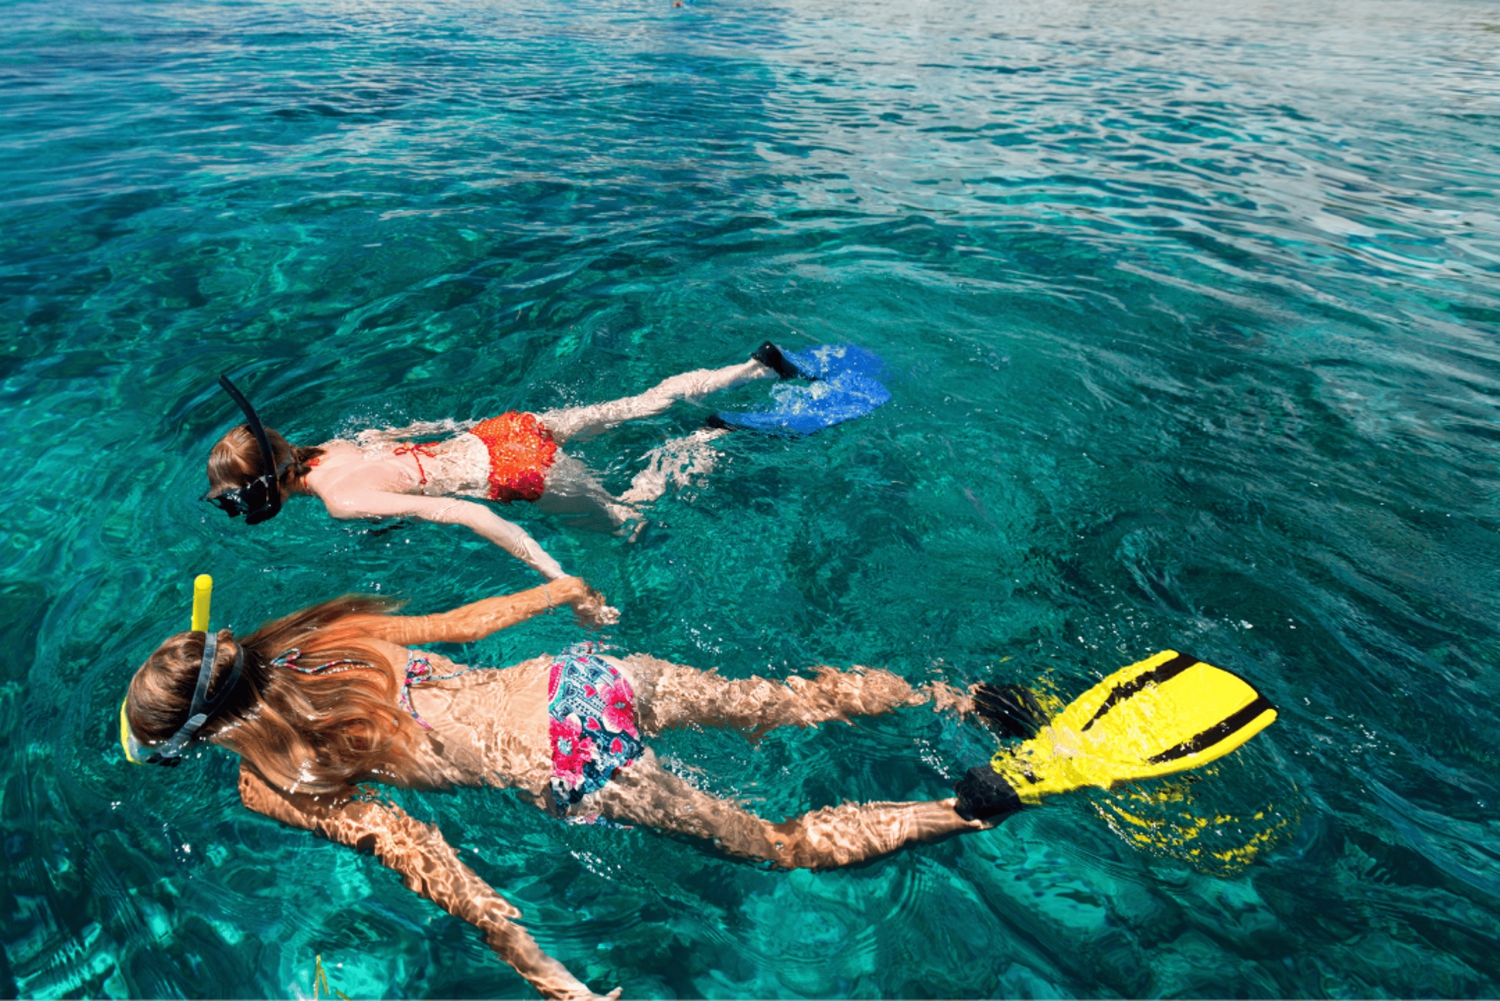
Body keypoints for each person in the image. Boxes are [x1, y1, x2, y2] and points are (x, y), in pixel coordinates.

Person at [120, 578, 1002, 1000]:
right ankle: (952, 695)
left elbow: (417, 850)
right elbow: (464, 623)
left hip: (577, 761)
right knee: (781, 702)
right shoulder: (324, 636)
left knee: (782, 845)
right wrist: (563, 588)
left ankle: (967, 806)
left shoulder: (269, 779)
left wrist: (549, 975)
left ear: (202, 737)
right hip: (580, 676)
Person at [203, 345, 806, 588]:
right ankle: (753, 367)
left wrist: (550, 571)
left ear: (264, 489)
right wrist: (461, 430)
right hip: (501, 431)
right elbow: (411, 437)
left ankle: (704, 440)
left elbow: (462, 512)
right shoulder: (332, 447)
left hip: (515, 474)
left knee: (632, 520)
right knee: (639, 404)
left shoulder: (342, 502)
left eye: (238, 497)